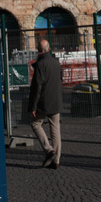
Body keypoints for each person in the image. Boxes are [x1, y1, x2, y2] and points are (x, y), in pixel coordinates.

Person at [28, 38, 62, 169]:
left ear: (38, 50)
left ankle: (49, 150)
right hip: (56, 100)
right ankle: (56, 160)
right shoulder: (56, 63)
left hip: (43, 102)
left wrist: (33, 106)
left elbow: (37, 87)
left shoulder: (41, 65)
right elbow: (60, 79)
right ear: (49, 49)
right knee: (55, 129)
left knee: (35, 123)